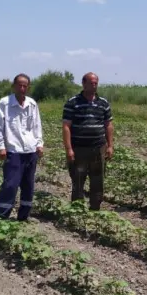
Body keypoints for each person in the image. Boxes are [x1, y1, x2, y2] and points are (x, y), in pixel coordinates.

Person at [0, 73, 44, 221]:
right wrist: (0, 147)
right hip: (13, 150)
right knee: (10, 184)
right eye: (19, 85)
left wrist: (39, 144)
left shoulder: (32, 104)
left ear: (28, 87)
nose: (22, 88)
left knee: (28, 185)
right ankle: (2, 216)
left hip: (30, 150)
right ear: (14, 86)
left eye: (25, 86)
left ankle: (24, 216)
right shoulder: (5, 103)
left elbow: (37, 126)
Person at [62, 72, 114, 211]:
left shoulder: (103, 103)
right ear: (83, 84)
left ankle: (95, 209)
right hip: (79, 149)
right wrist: (69, 149)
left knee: (97, 181)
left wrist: (110, 146)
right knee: (78, 179)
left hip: (98, 148)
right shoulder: (73, 102)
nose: (94, 85)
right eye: (91, 83)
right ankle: (77, 210)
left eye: (96, 83)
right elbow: (66, 126)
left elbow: (108, 125)